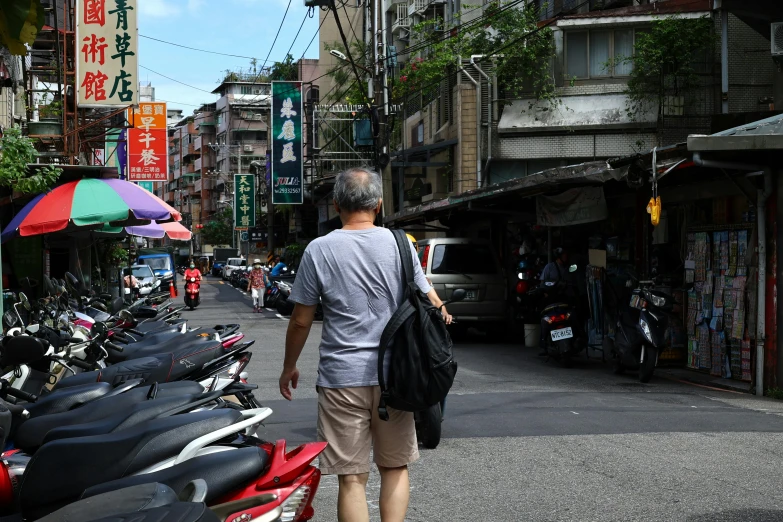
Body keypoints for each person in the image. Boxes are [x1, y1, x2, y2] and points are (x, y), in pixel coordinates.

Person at [279, 167, 452, 522]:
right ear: (379, 203)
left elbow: (301, 319)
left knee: (352, 478)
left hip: (342, 378)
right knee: (395, 467)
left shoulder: (318, 250)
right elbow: (428, 297)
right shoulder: (401, 243)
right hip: (398, 376)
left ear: (338, 204)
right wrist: (444, 316)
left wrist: (289, 366)